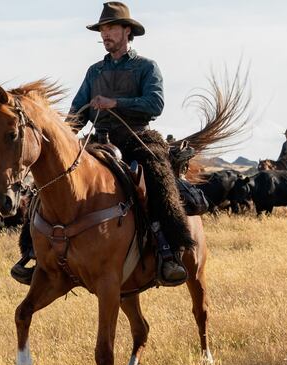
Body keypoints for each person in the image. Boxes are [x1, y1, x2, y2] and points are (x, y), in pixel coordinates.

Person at [12, 2, 189, 285]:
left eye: (110, 28)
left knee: (158, 179)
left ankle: (169, 252)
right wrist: (66, 136)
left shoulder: (146, 67)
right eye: (102, 29)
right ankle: (34, 253)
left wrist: (114, 102)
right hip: (99, 141)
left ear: (126, 31)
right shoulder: (94, 72)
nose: (105, 34)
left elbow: (155, 104)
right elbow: (76, 112)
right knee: (48, 183)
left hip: (137, 138)